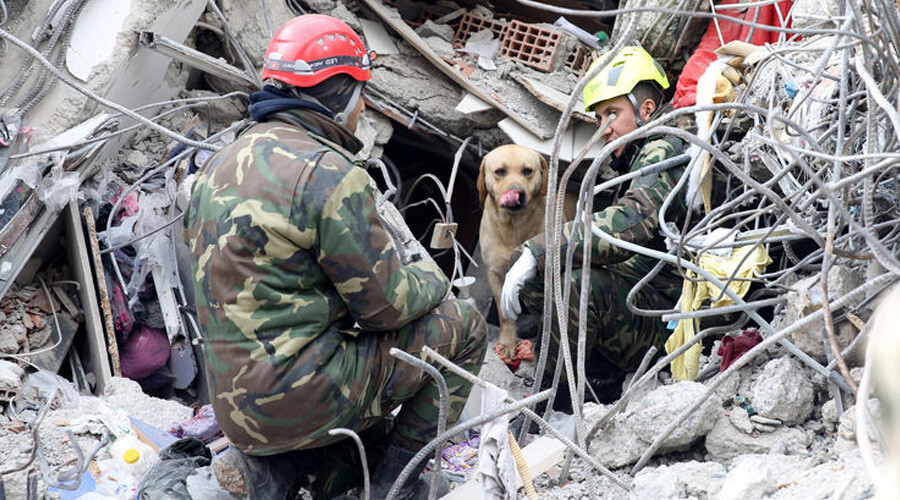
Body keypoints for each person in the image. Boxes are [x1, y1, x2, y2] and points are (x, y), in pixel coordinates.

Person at [184, 14, 486, 500]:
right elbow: (384, 307)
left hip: (236, 411)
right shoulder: (326, 172)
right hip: (301, 399)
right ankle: (400, 485)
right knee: (464, 326)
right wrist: (432, 279)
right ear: (341, 91)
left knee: (353, 411)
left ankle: (277, 472)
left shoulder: (219, 163)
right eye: (361, 91)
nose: (363, 105)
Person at [500, 46, 689, 408]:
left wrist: (538, 249)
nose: (603, 128)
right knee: (544, 273)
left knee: (572, 285)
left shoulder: (664, 149)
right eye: (600, 116)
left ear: (646, 110)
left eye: (612, 114)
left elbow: (628, 224)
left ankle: (561, 401)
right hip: (637, 296)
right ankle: (587, 370)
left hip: (661, 315)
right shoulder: (635, 153)